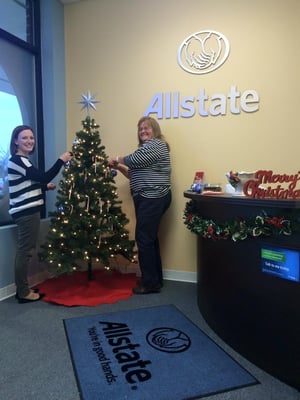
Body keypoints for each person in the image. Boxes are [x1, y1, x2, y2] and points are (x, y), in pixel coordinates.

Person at [8, 125, 72, 303]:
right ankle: (23, 292)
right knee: (25, 251)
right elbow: (43, 176)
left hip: (28, 211)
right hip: (26, 213)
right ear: (16, 141)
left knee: (26, 250)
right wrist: (61, 160)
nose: (29, 141)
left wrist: (44, 187)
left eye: (31, 138)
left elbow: (26, 185)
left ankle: (23, 289)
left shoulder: (24, 161)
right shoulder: (18, 160)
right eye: (24, 138)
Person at [109, 116, 171, 294]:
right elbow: (134, 174)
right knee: (149, 239)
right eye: (140, 129)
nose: (143, 131)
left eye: (147, 128)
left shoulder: (156, 145)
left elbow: (132, 160)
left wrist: (116, 159)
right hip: (149, 198)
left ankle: (149, 283)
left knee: (144, 240)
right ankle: (155, 279)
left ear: (155, 130)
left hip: (152, 197)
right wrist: (120, 167)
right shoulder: (145, 151)